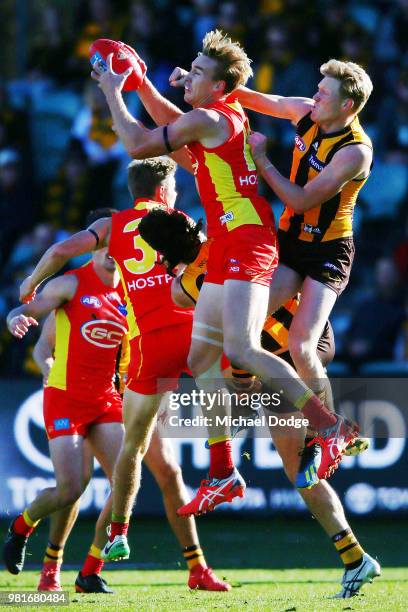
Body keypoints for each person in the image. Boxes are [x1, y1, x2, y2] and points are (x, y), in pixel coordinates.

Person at [90, 31, 358, 516]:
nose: (187, 77)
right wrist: (143, 84)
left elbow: (138, 144)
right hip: (231, 241)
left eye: (196, 73)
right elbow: (174, 130)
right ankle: (222, 470)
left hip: (248, 239)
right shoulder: (218, 116)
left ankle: (329, 425)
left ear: (217, 88)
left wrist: (113, 90)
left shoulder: (213, 117)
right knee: (203, 355)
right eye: (189, 69)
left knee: (240, 348)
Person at [139, 207, 380, 598]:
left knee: (293, 459)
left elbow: (188, 302)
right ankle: (353, 555)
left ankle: (320, 437)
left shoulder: (185, 286)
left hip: (278, 360)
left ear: (164, 253)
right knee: (299, 467)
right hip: (305, 341)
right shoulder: (234, 242)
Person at [33, 310, 230, 592]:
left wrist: (166, 393)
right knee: (76, 485)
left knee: (169, 473)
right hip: (97, 401)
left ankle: (196, 568)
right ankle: (52, 567)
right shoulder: (84, 293)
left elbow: (159, 347)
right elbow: (46, 342)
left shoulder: (142, 290)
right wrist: (47, 365)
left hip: (139, 395)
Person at [230, 59, 373, 409]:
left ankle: (327, 430)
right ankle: (242, 397)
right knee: (245, 322)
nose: (314, 97)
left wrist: (261, 159)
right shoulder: (307, 113)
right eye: (317, 89)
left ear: (346, 106)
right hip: (291, 242)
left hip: (328, 252)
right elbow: (255, 98)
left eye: (324, 94)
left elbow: (301, 198)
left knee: (302, 345)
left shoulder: (355, 152)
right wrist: (201, 82)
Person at [3, 209, 127, 591]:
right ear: (91, 246)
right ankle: (22, 526)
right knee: (71, 489)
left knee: (125, 482)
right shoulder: (71, 284)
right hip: (65, 397)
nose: (109, 251)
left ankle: (89, 571)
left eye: (115, 244)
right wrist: (15, 316)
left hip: (107, 398)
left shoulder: (131, 294)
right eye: (102, 244)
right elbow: (30, 311)